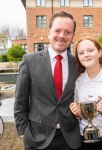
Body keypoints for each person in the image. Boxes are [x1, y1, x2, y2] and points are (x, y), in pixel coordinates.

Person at [14, 11, 81, 150]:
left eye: (67, 32)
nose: (62, 36)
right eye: (57, 30)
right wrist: (23, 132)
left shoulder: (78, 64)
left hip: (69, 138)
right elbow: (20, 100)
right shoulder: (29, 61)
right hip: (37, 137)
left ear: (72, 36)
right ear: (49, 32)